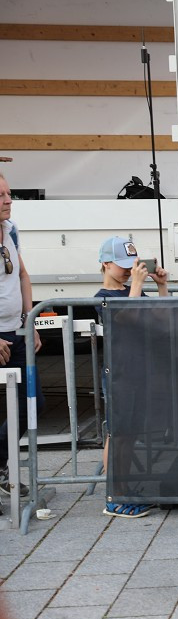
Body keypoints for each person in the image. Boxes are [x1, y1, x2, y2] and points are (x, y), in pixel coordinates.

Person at [96, 236, 169, 518]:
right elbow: (125, 315)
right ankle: (114, 494)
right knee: (118, 434)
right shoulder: (103, 298)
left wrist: (161, 286)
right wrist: (137, 285)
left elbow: (163, 319)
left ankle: (124, 489)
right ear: (104, 264)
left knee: (129, 435)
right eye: (122, 265)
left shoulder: (133, 292)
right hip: (119, 373)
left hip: (139, 371)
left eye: (133, 265)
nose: (128, 271)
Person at [0, 175, 41, 497]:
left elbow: (23, 274)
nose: (7, 200)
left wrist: (31, 320)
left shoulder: (9, 229)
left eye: (8, 193)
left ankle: (1, 464)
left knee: (31, 403)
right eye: (0, 195)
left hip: (15, 331)